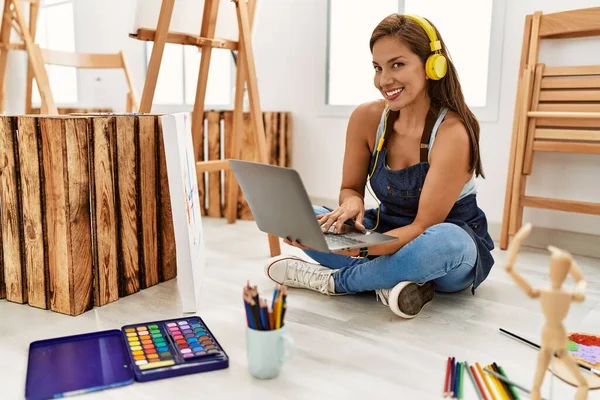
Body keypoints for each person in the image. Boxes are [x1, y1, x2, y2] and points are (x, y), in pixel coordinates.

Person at [265, 13, 495, 318]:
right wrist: (351, 204)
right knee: (308, 217)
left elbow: (424, 227)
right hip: (384, 231)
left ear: (432, 66)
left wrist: (356, 250)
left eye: (397, 64)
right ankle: (391, 283)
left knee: (446, 241)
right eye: (377, 67)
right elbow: (350, 188)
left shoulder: (452, 133)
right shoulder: (367, 118)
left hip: (446, 251)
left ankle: (336, 281)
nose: (384, 80)